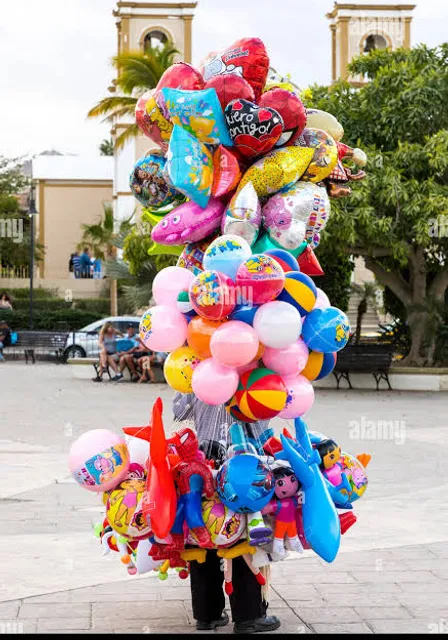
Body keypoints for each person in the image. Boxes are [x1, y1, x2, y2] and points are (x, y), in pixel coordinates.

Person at [173, 393, 281, 634]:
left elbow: (179, 411)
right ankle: (249, 616)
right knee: (243, 535)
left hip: (202, 461)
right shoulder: (255, 370)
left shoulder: (198, 369)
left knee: (205, 532)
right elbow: (274, 407)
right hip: (246, 463)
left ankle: (207, 614)